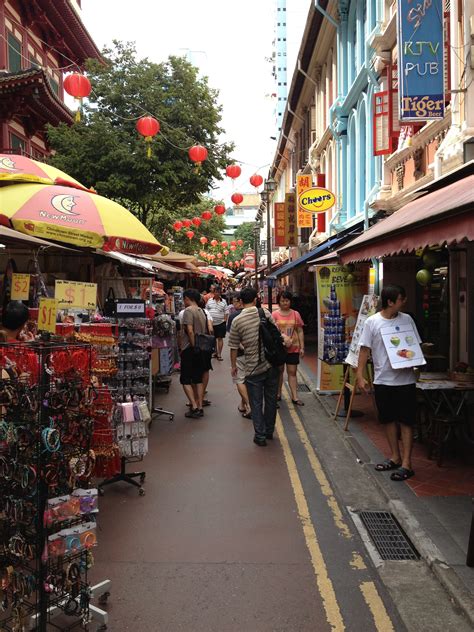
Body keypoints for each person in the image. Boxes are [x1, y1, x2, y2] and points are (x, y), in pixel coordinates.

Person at [356, 284, 420, 482]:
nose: (404, 302)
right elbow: (364, 350)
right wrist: (360, 375)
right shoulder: (372, 323)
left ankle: (407, 464)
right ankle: (395, 456)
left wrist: (417, 363)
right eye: (401, 299)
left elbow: (414, 344)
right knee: (388, 420)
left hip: (405, 380)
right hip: (383, 379)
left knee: (406, 421)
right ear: (391, 301)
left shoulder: (407, 319)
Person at [228, 287, 280, 447]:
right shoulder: (264, 313)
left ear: (241, 302)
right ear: (256, 299)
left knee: (256, 402)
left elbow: (233, 346)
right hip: (271, 365)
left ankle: (260, 435)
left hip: (252, 367)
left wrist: (233, 366)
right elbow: (276, 333)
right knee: (271, 400)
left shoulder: (237, 320)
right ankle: (269, 430)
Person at [272, 290, 305, 405]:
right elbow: (272, 331)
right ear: (279, 302)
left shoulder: (296, 314)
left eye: (287, 300)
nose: (285, 303)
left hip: (293, 348)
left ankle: (295, 397)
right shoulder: (274, 314)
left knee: (292, 372)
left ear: (290, 301)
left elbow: (300, 331)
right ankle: (278, 394)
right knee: (279, 371)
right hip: (279, 348)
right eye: (282, 300)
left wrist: (302, 347)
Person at [180, 288, 208, 418]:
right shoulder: (202, 311)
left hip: (190, 348)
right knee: (198, 378)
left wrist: (194, 346)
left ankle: (194, 407)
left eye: (184, 299)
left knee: (185, 379)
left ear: (187, 298)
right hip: (201, 348)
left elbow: (190, 331)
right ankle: (200, 406)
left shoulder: (188, 311)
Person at [226, 293, 251, 418]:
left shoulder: (233, 316)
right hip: (254, 353)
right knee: (248, 380)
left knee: (240, 380)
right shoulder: (256, 313)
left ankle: (249, 405)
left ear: (240, 301)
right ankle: (243, 405)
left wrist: (232, 364)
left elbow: (233, 341)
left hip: (241, 354)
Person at [206, 286, 228, 361]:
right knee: (213, 339)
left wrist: (224, 320)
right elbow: (206, 310)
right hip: (211, 324)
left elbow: (226, 312)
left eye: (218, 292)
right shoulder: (209, 301)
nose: (217, 293)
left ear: (220, 293)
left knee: (220, 338)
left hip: (221, 323)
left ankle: (219, 354)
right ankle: (215, 352)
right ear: (214, 292)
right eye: (216, 292)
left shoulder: (224, 301)